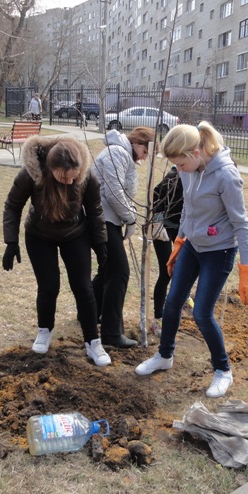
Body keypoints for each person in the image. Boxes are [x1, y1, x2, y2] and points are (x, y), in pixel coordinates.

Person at [134, 121, 248, 398]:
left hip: (220, 251)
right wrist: (180, 242)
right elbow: (188, 211)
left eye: (180, 164)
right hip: (192, 245)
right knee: (172, 302)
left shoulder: (226, 176)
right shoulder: (188, 172)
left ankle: (223, 370)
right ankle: (164, 355)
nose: (178, 170)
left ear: (195, 153)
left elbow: (241, 224)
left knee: (202, 312)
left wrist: (246, 271)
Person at [2, 136, 112, 367]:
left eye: (73, 177)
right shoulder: (31, 174)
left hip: (75, 233)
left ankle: (93, 342)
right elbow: (13, 205)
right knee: (49, 286)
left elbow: (95, 210)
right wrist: (11, 242)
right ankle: (44, 331)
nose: (69, 182)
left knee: (83, 287)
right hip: (39, 234)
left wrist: (101, 243)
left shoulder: (86, 177)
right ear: (50, 168)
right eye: (63, 177)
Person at [91, 126, 155, 348]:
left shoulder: (123, 155)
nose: (145, 158)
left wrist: (129, 215)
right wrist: (130, 219)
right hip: (102, 218)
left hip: (110, 218)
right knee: (119, 272)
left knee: (107, 270)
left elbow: (124, 193)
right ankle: (111, 333)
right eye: (146, 152)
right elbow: (114, 192)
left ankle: (90, 312)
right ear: (138, 143)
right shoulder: (116, 153)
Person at [149, 165, 194, 337]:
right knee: (166, 272)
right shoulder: (175, 177)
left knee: (184, 267)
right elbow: (155, 195)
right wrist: (157, 222)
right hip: (162, 228)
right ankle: (158, 318)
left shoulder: (197, 177)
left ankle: (184, 297)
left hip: (179, 228)